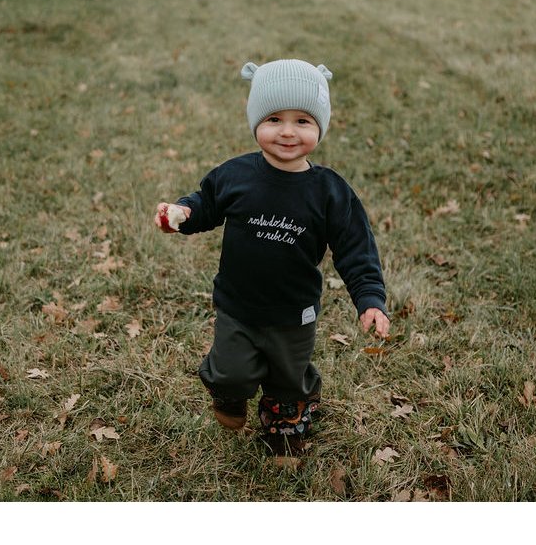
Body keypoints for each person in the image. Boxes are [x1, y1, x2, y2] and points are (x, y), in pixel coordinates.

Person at [153, 58, 390, 455]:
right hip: (238, 306)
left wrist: (369, 299)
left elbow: (356, 247)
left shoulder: (329, 192)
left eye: (303, 121)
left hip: (294, 313)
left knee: (287, 379)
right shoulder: (235, 175)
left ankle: (284, 431)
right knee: (230, 371)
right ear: (256, 121)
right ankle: (229, 394)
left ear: (320, 127)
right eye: (274, 119)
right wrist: (182, 214)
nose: (287, 131)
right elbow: (205, 204)